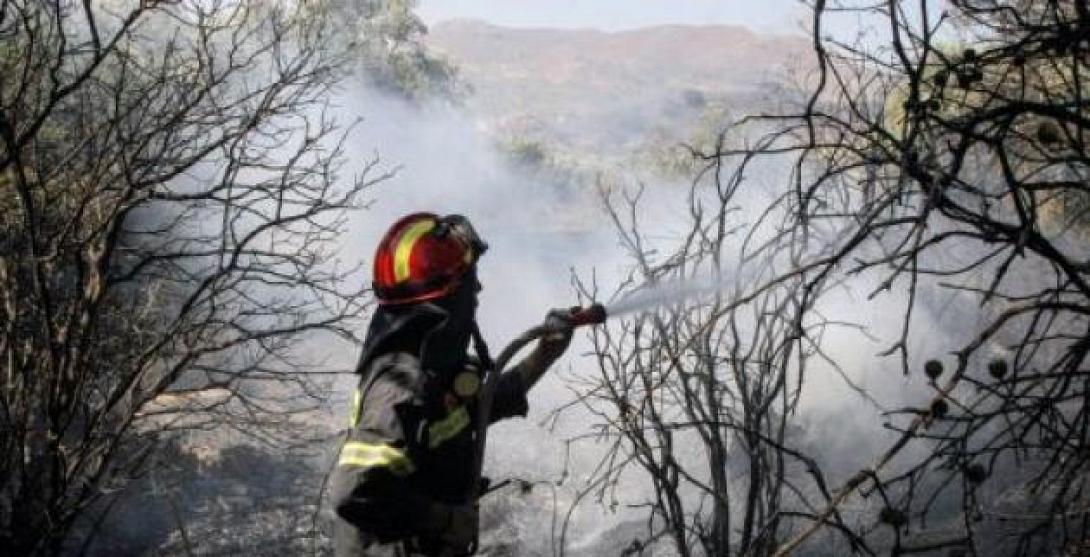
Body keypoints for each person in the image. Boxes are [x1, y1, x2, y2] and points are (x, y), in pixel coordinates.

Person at [330, 213, 573, 556]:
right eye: (470, 280)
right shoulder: (402, 384)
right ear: (447, 296)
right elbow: (352, 489)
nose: (477, 290)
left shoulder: (432, 369)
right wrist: (443, 520)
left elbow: (479, 406)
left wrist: (545, 354)